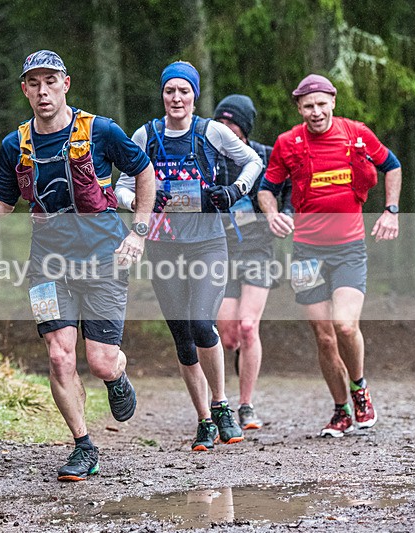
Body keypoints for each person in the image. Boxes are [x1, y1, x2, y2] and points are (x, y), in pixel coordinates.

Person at [0, 50, 156, 480]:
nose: (43, 91)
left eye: (50, 81)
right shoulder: (14, 145)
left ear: (66, 84)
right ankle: (83, 446)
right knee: (59, 358)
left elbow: (145, 172)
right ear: (25, 90)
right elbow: (1, 203)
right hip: (47, 265)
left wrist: (139, 232)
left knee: (101, 361)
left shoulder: (101, 131)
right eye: (34, 83)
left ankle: (117, 376)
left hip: (104, 258)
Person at [115, 61, 263, 451]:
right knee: (182, 338)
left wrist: (235, 190)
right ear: (162, 95)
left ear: (194, 96)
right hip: (164, 248)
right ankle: (203, 421)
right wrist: (141, 201)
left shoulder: (210, 132)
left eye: (184, 91)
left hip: (208, 244)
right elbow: (120, 187)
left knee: (201, 324)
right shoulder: (145, 135)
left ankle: (221, 405)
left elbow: (253, 161)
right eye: (170, 91)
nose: (176, 98)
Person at [257, 74, 402, 438]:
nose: (316, 112)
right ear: (299, 108)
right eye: (308, 106)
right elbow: (267, 189)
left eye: (322, 104)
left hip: (349, 249)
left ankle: (360, 388)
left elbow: (393, 165)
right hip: (306, 252)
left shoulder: (356, 134)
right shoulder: (287, 143)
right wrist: (272, 213)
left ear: (333, 102)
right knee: (323, 336)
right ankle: (340, 411)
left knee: (345, 325)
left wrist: (391, 210)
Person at [212, 94, 292, 431]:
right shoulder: (209, 156)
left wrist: (285, 216)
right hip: (220, 251)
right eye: (222, 122)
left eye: (232, 123)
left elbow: (287, 194)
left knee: (249, 327)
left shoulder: (266, 156)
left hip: (259, 249)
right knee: (227, 336)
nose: (226, 129)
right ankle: (230, 375)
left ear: (244, 127)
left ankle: (245, 405)